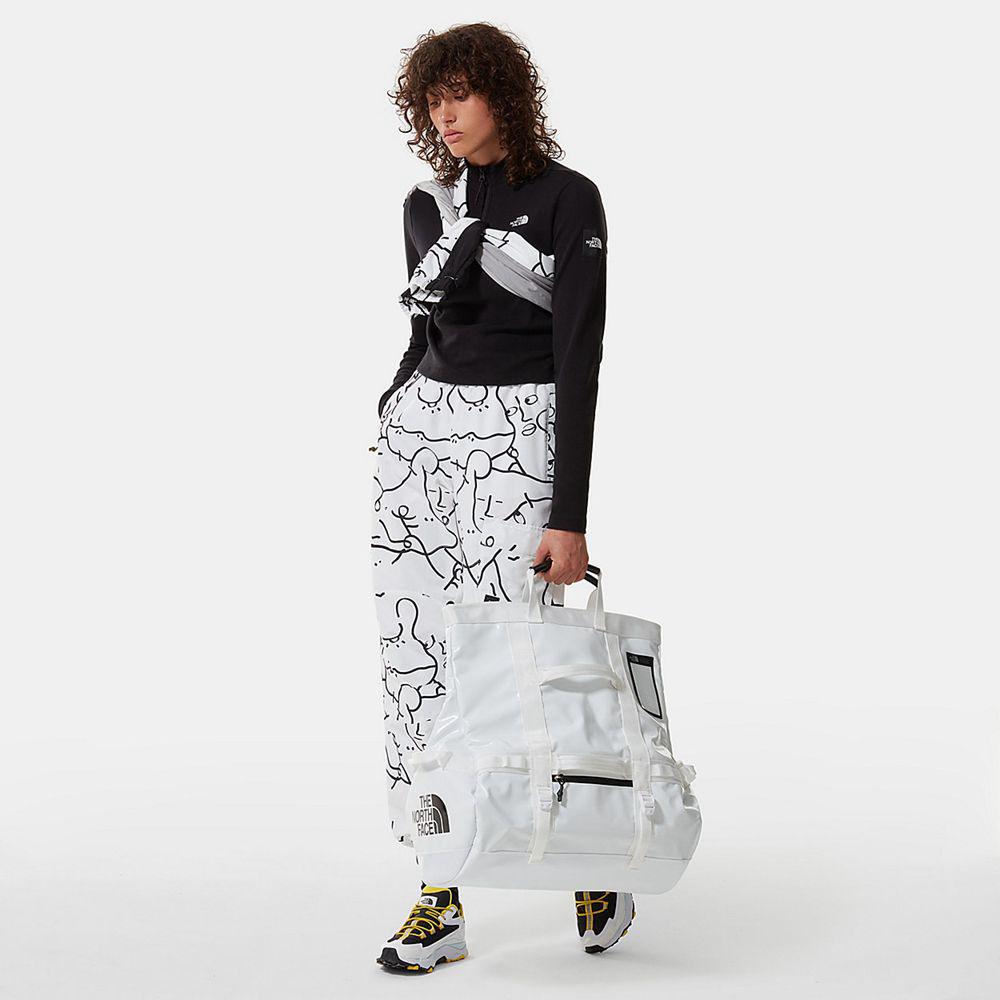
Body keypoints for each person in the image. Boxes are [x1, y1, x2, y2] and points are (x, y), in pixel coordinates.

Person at [370, 22, 633, 973]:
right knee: (418, 666)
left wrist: (570, 514)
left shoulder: (568, 199)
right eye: (433, 98)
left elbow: (578, 356)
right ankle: (438, 888)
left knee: (523, 657)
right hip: (421, 445)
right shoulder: (428, 203)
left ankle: (589, 853)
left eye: (463, 94)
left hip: (521, 436)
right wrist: (395, 410)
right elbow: (425, 331)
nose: (445, 114)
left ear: (504, 97)